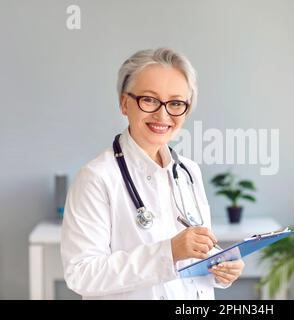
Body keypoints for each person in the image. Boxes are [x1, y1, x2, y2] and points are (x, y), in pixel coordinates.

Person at [61, 48, 245, 299]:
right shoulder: (97, 177)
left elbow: (191, 259)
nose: (163, 114)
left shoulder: (188, 172)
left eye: (176, 103)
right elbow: (81, 274)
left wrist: (220, 266)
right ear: (125, 103)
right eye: (149, 99)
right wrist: (168, 252)